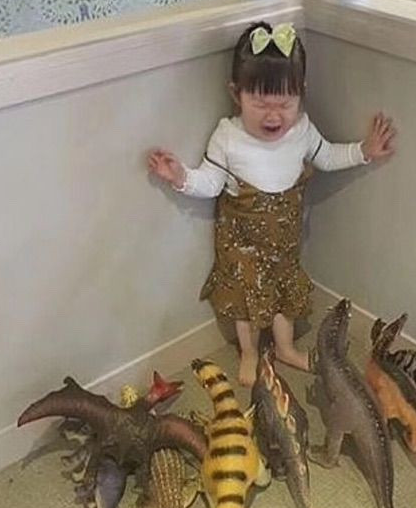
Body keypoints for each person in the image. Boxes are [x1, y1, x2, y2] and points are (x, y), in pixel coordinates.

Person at [148, 21, 395, 386]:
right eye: (260, 104)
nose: (274, 115)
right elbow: (211, 182)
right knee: (245, 305)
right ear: (236, 94)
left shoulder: (302, 131)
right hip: (241, 245)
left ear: (301, 94)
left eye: (285, 104)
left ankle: (285, 349)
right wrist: (180, 176)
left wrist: (364, 151)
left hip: (284, 244)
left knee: (284, 297)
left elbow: (327, 156)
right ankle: (249, 352)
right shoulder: (228, 137)